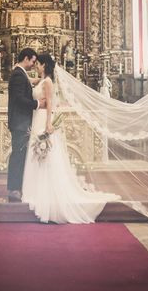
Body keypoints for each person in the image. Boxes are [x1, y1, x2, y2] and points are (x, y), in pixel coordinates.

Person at [21, 53, 119, 223]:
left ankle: (46, 193)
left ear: (44, 65)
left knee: (46, 156)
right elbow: (35, 85)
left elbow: (51, 103)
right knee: (37, 155)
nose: (36, 67)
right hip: (37, 118)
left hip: (44, 119)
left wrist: (49, 124)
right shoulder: (42, 81)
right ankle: (34, 191)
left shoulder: (49, 82)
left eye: (38, 64)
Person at [6, 48, 45, 203]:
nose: (33, 65)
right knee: (18, 155)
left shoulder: (20, 74)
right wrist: (37, 103)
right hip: (20, 122)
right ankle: (14, 189)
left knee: (20, 155)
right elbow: (19, 99)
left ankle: (16, 187)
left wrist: (33, 82)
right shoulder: (18, 75)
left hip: (21, 121)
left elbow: (23, 87)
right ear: (27, 59)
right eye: (33, 61)